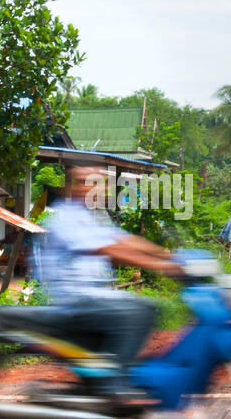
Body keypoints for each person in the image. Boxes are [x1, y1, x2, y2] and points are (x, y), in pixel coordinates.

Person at [35, 164, 183, 404]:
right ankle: (114, 385)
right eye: (85, 182)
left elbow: (124, 240)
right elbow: (108, 249)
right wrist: (161, 266)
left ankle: (112, 371)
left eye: (98, 183)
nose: (92, 189)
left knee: (144, 307)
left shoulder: (90, 217)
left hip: (93, 295)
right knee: (141, 311)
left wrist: (170, 256)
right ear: (69, 187)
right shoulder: (64, 217)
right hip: (76, 298)